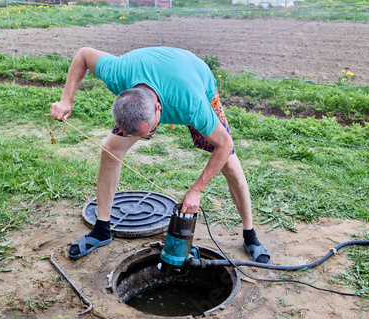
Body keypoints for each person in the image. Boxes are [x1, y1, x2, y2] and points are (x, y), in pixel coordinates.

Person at [49, 46, 270, 263]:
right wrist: (66, 100)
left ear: (157, 108)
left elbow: (225, 143)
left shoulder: (191, 104)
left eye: (149, 133)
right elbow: (84, 54)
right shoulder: (118, 72)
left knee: (229, 163)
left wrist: (197, 189)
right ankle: (101, 230)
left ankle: (250, 235)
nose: (146, 139)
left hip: (195, 79)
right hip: (151, 80)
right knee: (110, 151)